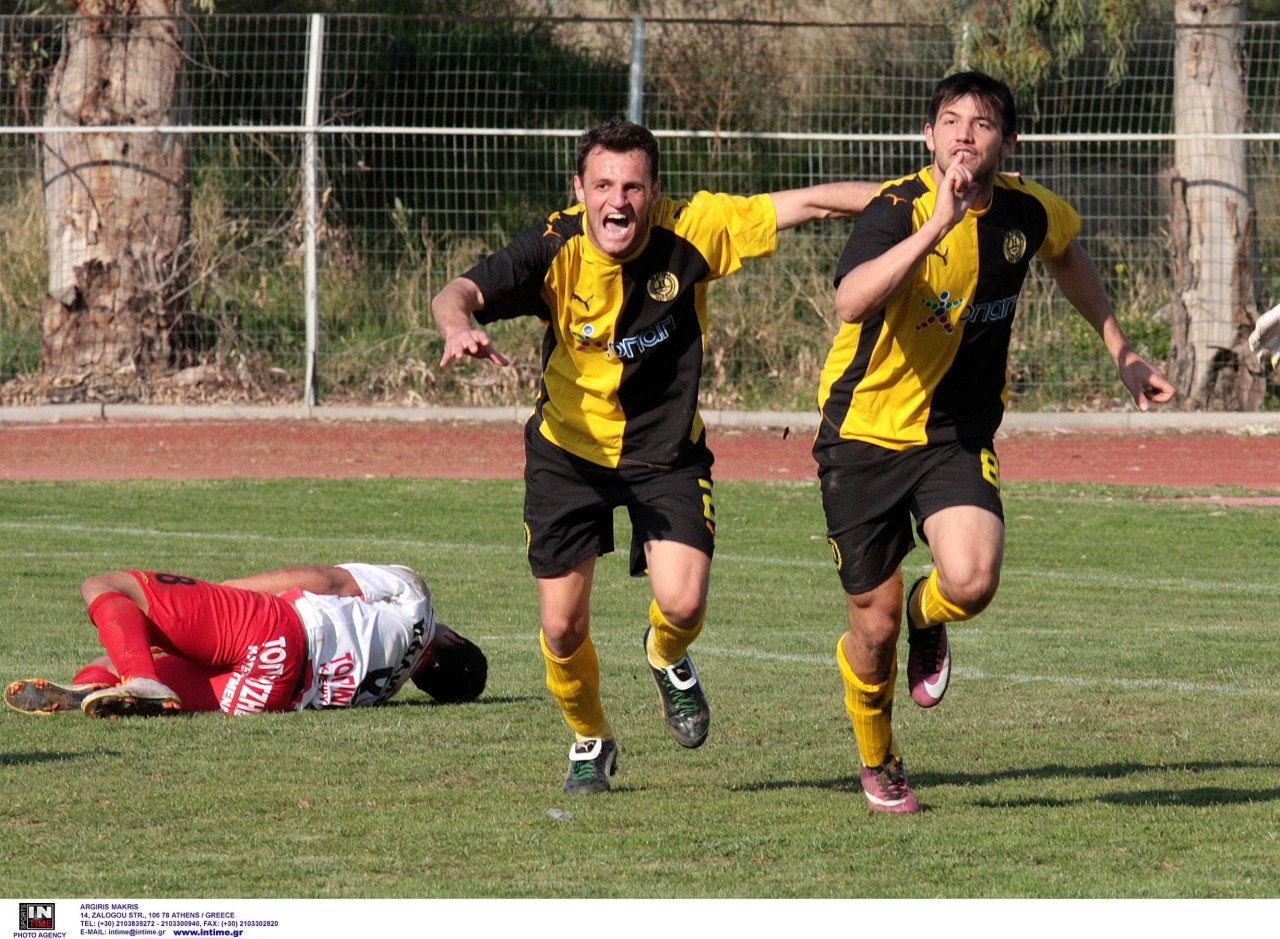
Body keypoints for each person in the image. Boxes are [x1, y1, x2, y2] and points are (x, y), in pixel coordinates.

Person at [432, 120, 876, 794]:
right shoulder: (554, 246)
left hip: (664, 453)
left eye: (633, 186)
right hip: (567, 456)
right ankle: (591, 740)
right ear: (579, 190)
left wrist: (918, 199)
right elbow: (457, 290)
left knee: (684, 600)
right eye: (604, 184)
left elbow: (807, 203)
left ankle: (665, 655)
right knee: (560, 626)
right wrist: (457, 326)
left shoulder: (694, 228)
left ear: (655, 191)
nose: (619, 200)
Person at [814, 71, 1176, 814]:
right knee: (870, 631)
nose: (964, 136)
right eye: (950, 121)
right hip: (861, 436)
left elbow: (1066, 252)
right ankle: (879, 759)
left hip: (955, 434)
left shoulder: (1024, 210)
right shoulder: (897, 207)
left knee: (972, 581)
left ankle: (928, 618)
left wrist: (1121, 350)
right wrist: (933, 228)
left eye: (981, 124)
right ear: (928, 137)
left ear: (1006, 143)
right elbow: (849, 300)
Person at [5, 563, 487, 718]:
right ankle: (89, 690)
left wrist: (223, 594)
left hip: (276, 631)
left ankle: (138, 683)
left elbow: (327, 580)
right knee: (125, 658)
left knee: (109, 587)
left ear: (454, 638)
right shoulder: (387, 690)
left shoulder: (416, 601)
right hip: (269, 696)